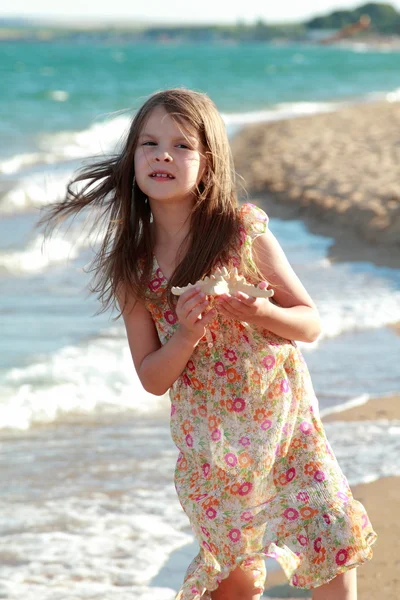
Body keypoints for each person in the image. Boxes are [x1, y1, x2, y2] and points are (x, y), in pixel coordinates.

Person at [40, 88, 377, 600]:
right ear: (133, 159)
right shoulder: (132, 264)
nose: (163, 156)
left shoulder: (241, 232)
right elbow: (153, 378)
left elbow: (309, 324)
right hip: (212, 450)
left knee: (328, 538)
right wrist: (187, 334)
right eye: (149, 144)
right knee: (233, 582)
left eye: (182, 146)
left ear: (209, 161)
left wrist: (261, 312)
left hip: (286, 430)